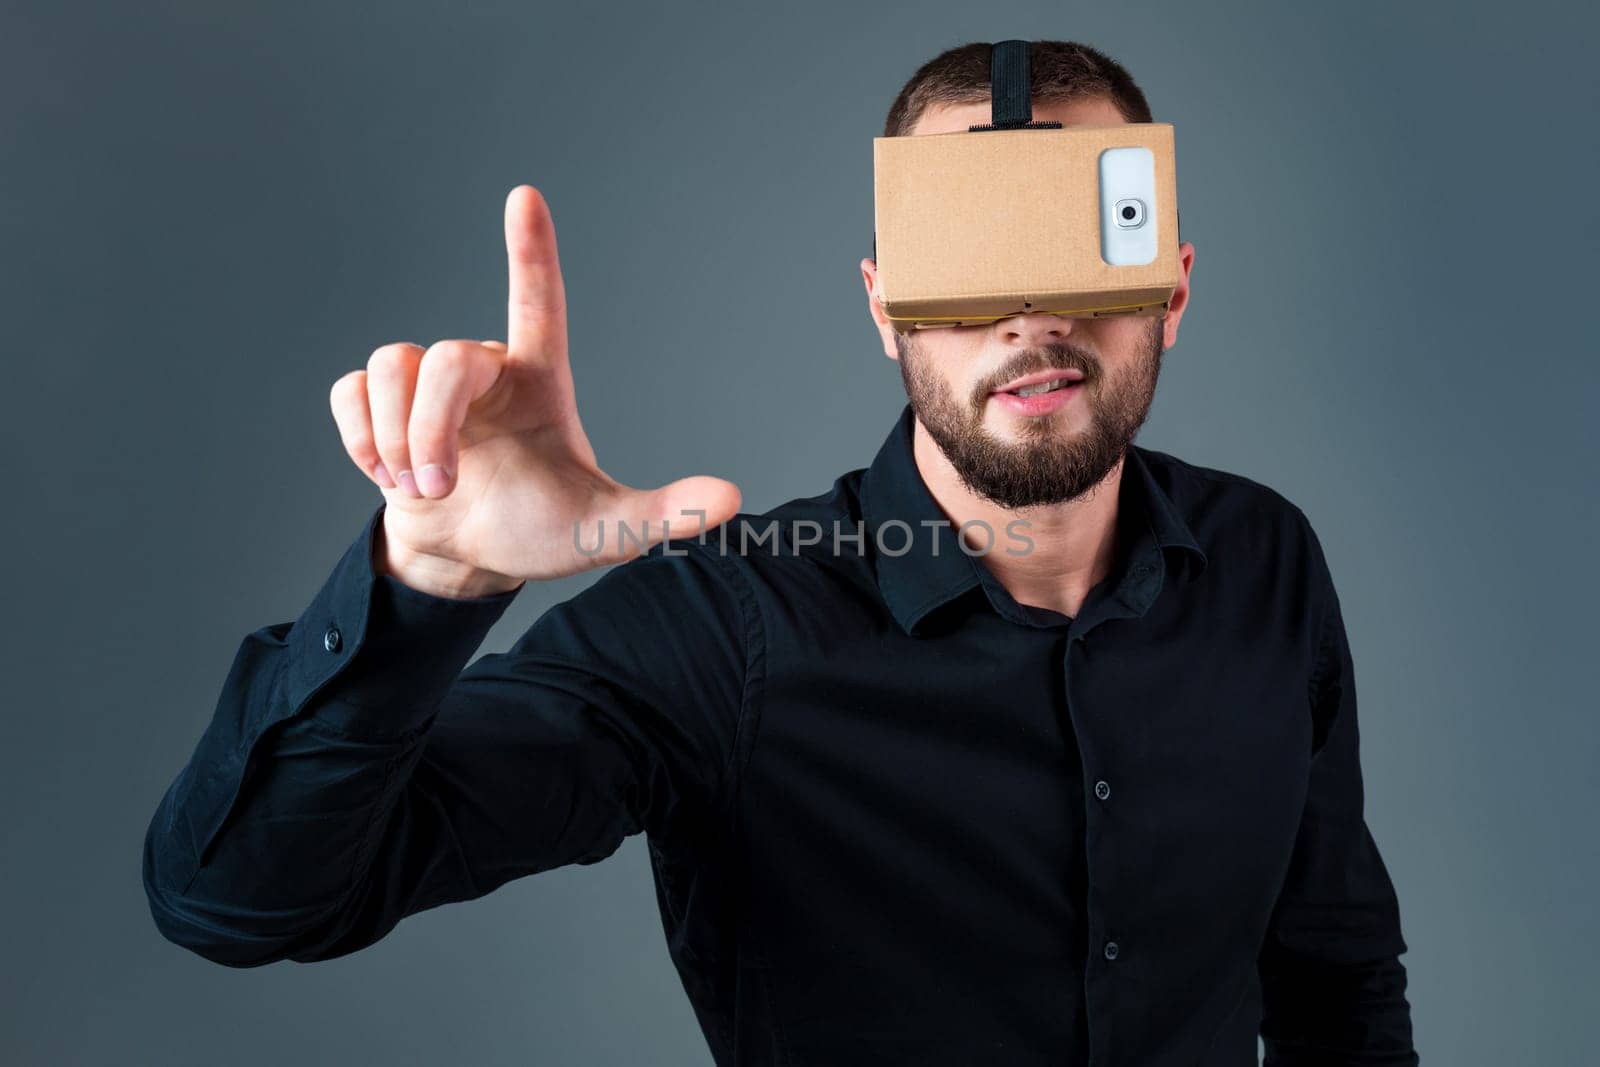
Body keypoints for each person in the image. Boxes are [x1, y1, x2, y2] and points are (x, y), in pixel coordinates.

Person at [142, 40, 1418, 1067]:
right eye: (970, 258)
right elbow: (247, 898)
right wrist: (434, 580)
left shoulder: (1265, 562)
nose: (1033, 313)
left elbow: (1334, 978)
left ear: (1172, 288)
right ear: (882, 306)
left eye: (1093, 239)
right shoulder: (723, 623)